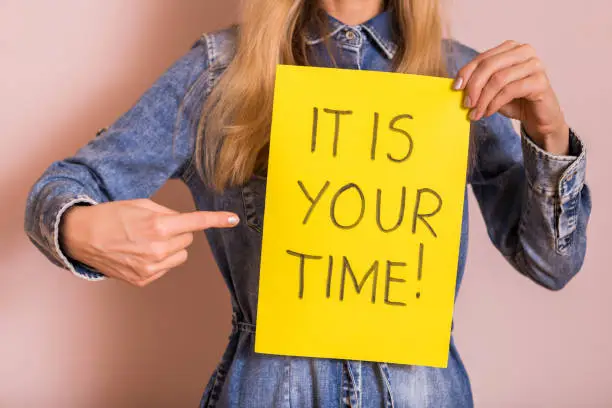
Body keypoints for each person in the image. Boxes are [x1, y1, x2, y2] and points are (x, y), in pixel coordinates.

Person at [24, 0, 591, 406]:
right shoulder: (221, 70)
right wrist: (79, 229)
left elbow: (550, 263)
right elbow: (61, 188)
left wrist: (550, 133)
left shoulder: (463, 81)